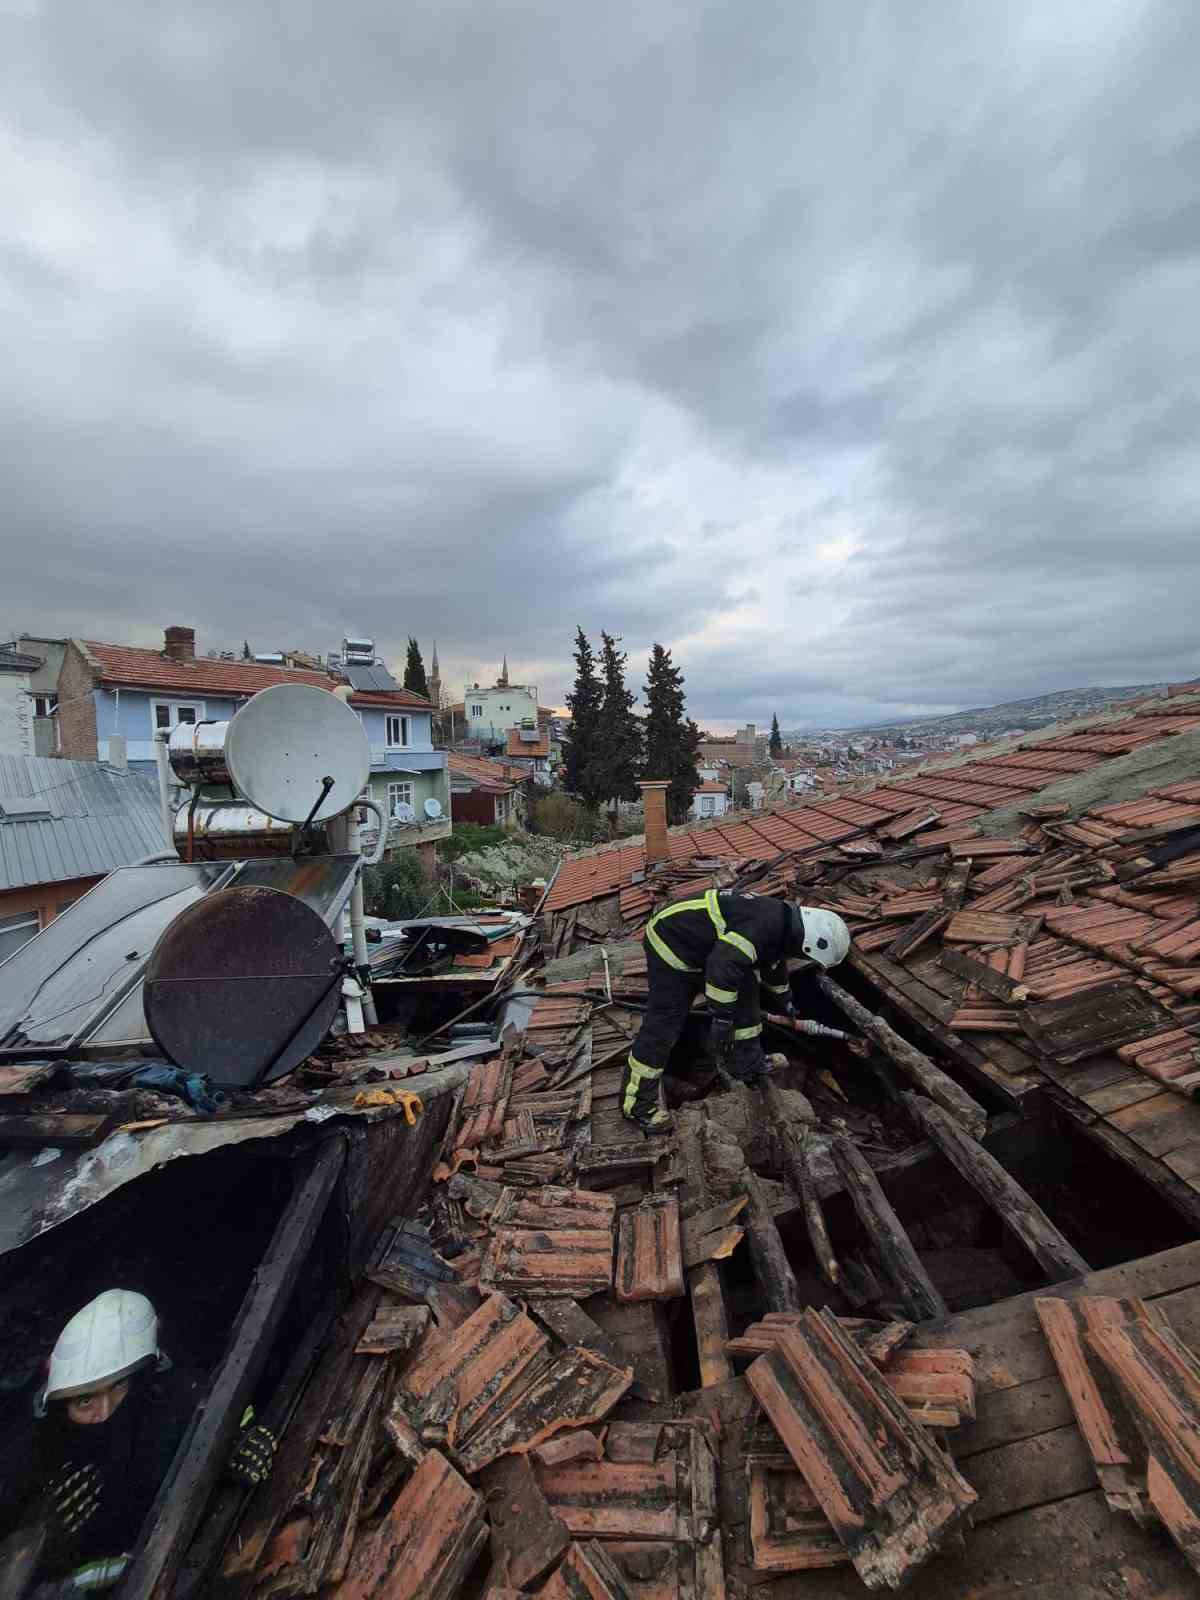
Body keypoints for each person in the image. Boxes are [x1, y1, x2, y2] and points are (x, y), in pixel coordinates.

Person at [0, 1290, 275, 1595]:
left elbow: (222, 1408)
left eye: (118, 1386)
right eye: (85, 1400)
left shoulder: (174, 1399)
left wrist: (239, 1441)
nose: (104, 1412)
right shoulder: (35, 1453)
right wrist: (44, 1548)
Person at [621, 892, 851, 1131]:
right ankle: (637, 1105)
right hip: (672, 945)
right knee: (664, 1025)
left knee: (747, 991)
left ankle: (748, 1065)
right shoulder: (760, 929)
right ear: (810, 943)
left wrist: (786, 1001)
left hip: (708, 948)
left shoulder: (783, 926)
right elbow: (721, 970)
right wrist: (722, 1017)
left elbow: (773, 964)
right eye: (805, 955)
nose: (801, 957)